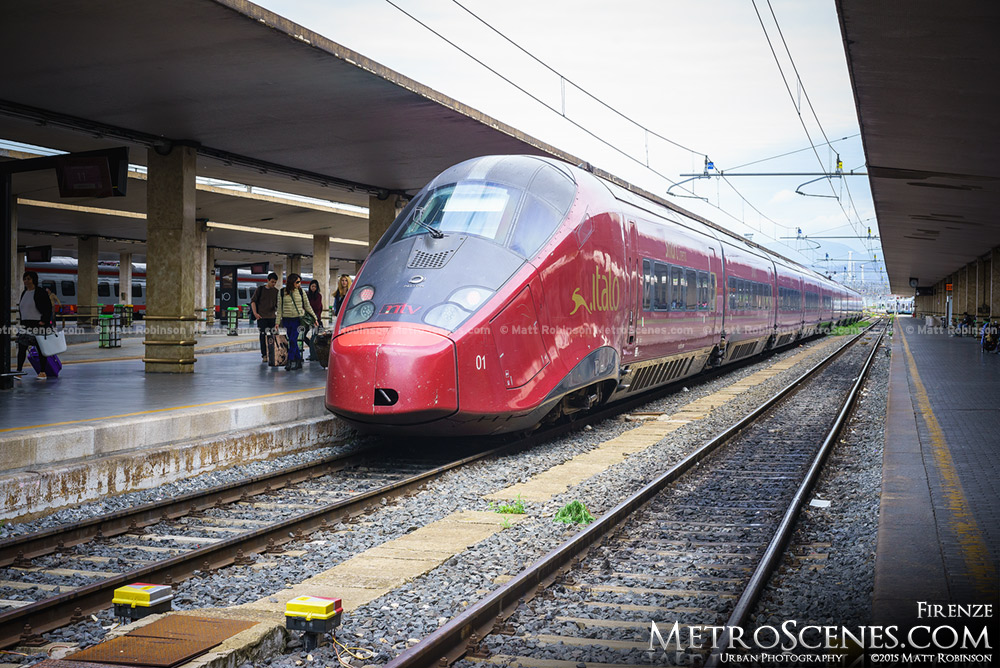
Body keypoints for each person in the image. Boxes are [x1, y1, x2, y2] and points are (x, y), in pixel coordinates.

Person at [17, 271, 55, 381]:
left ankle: (42, 372)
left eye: (28, 279)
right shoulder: (24, 292)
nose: (26, 281)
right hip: (26, 325)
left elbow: (48, 308)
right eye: (25, 279)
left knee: (41, 349)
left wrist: (43, 321)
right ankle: (19, 371)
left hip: (38, 324)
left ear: (34, 279)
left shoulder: (40, 292)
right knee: (22, 348)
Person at [278, 273, 316, 370]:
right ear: (292, 282)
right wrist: (277, 322)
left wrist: (315, 318)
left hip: (297, 319)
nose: (299, 284)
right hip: (286, 320)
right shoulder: (282, 292)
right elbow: (279, 309)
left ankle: (290, 361)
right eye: (297, 282)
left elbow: (307, 306)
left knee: (293, 340)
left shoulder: (301, 292)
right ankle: (298, 360)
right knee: (292, 340)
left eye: (300, 282)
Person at [250, 272, 279, 364]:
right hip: (261, 317)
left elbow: (278, 305)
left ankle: (274, 353)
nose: (273, 284)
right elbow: (253, 302)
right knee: (263, 336)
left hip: (272, 317)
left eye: (275, 282)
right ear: (267, 280)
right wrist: (255, 313)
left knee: (274, 336)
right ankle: (264, 355)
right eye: (272, 282)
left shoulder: (276, 291)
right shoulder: (260, 289)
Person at [305, 279, 324, 360]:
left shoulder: (319, 296)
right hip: (307, 320)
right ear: (309, 286)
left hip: (316, 320)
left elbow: (317, 307)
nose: (313, 288)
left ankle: (313, 355)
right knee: (302, 335)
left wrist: (315, 318)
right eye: (312, 286)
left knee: (314, 337)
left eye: (315, 286)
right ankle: (313, 350)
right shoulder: (306, 295)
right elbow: (304, 306)